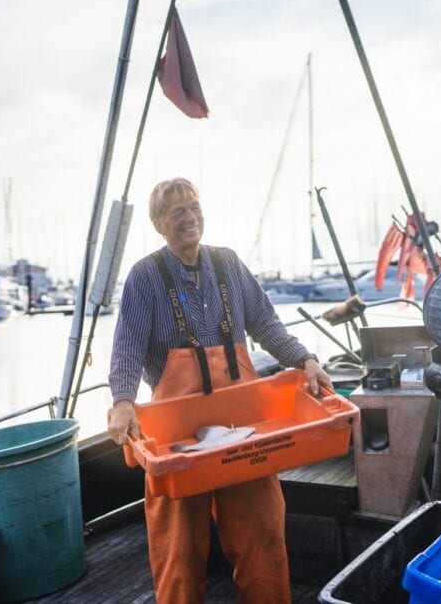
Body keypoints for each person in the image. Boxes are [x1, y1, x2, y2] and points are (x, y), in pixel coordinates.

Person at [107, 177, 332, 604]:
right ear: (158, 224)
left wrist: (305, 360)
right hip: (177, 437)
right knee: (178, 549)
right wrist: (122, 400)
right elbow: (128, 347)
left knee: (263, 534)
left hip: (241, 428)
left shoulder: (228, 263)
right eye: (177, 212)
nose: (189, 218)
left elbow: (267, 325)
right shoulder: (144, 276)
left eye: (194, 207)